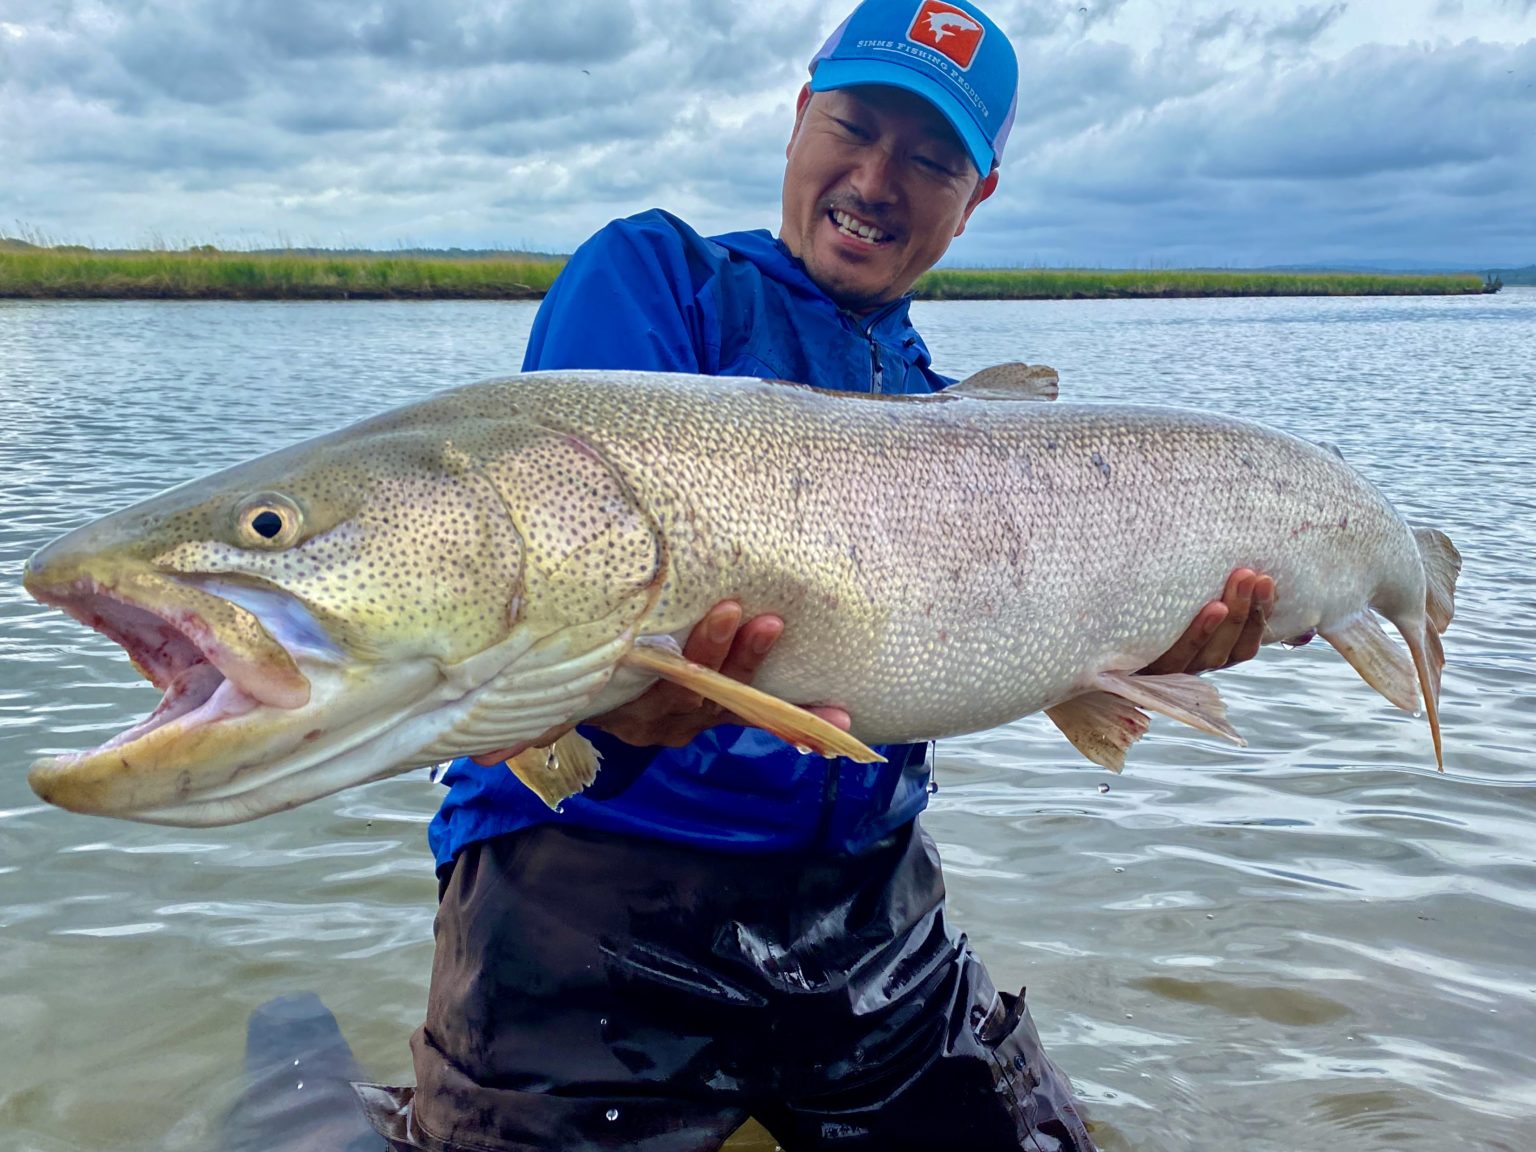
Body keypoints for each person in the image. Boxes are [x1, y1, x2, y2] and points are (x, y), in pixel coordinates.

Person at [358, 1, 1275, 1149]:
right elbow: (554, 575)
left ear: (976, 196)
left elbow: (1016, 656)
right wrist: (614, 706)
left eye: (932, 157)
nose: (878, 177)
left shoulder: (944, 403)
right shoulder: (656, 281)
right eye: (853, 125)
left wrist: (1149, 652)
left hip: (869, 900)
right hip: (583, 887)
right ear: (798, 118)